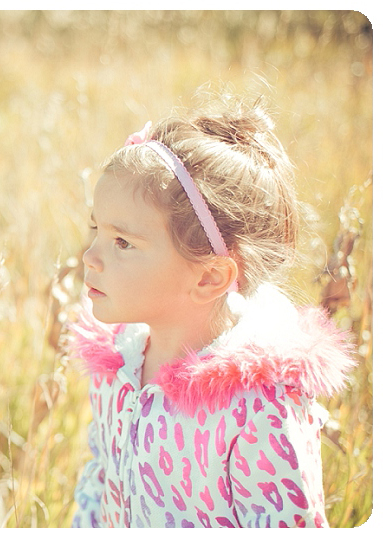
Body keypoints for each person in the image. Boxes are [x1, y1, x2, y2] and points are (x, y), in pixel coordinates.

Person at [68, 94, 356, 528]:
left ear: (208, 278)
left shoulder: (256, 408)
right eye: (97, 230)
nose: (90, 255)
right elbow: (102, 479)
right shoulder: (119, 367)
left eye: (123, 242)